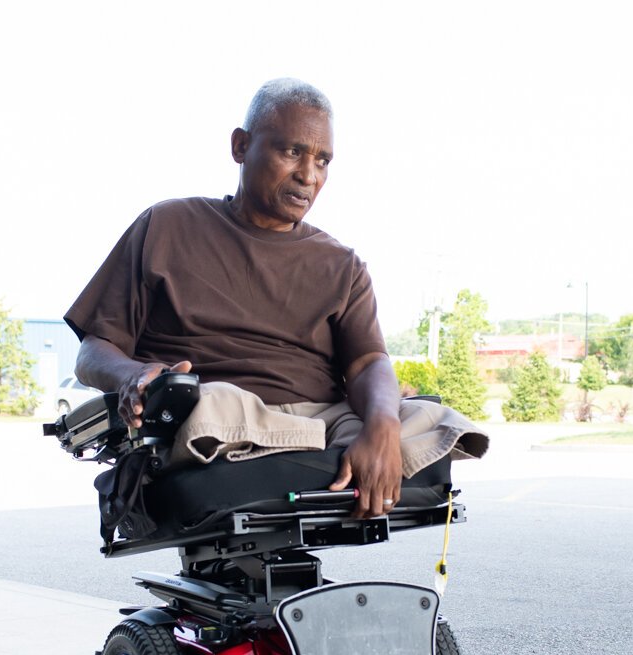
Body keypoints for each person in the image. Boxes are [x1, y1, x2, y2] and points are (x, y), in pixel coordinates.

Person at [65, 78, 485, 519]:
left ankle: (338, 445)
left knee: (430, 418)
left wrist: (382, 425)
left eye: (323, 160)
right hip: (223, 413)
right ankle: (324, 450)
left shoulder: (341, 264)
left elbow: (367, 363)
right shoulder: (168, 226)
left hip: (320, 420)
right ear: (241, 146)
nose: (309, 175)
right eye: (292, 152)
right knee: (212, 404)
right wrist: (134, 374)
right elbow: (92, 353)